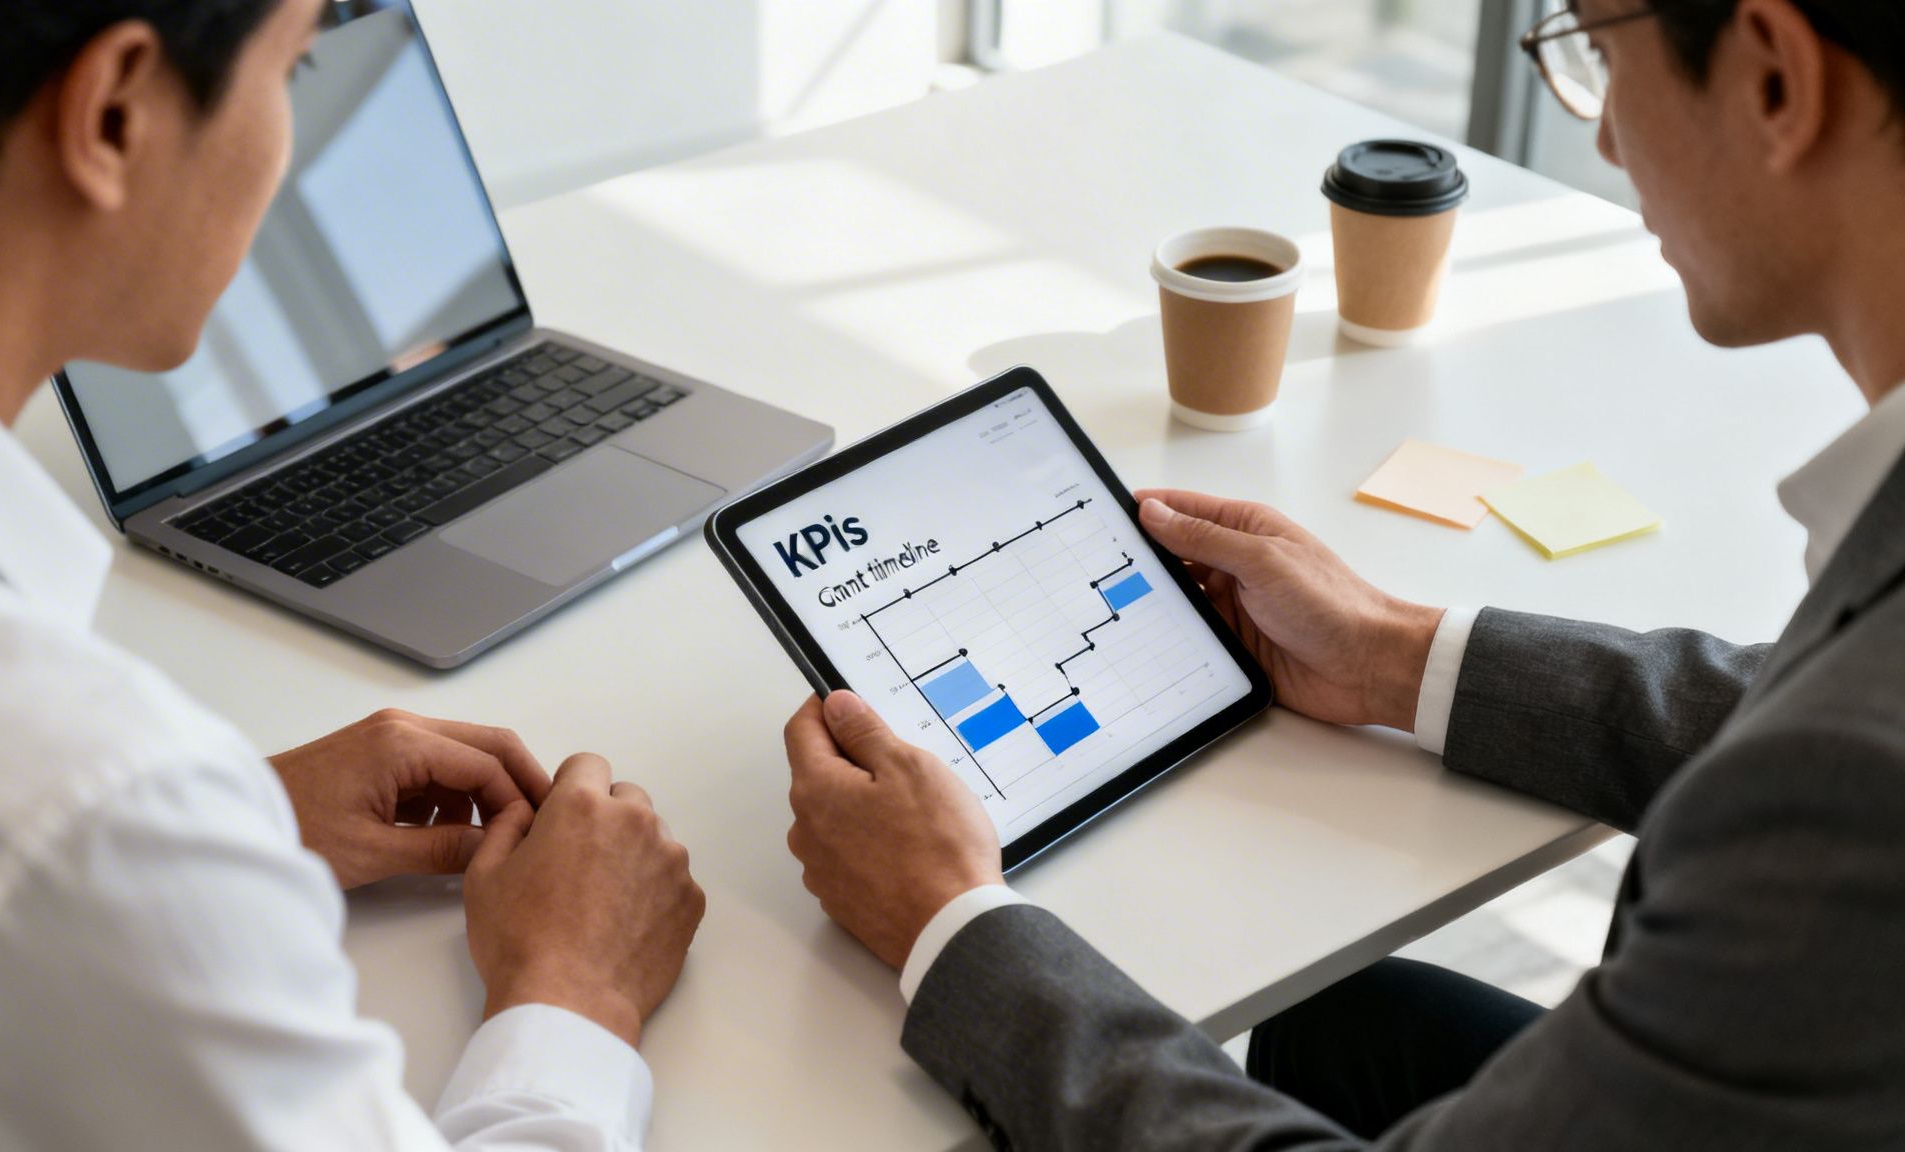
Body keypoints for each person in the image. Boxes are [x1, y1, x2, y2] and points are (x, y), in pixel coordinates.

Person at [784, 0, 1905, 1146]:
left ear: (1772, 80)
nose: (1607, 140)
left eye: (1603, 59)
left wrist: (948, 923)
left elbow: (1830, 769)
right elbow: (1789, 709)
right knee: (1334, 1019)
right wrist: (1387, 653)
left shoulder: (1840, 798)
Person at [0, 3, 704, 1150]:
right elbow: (34, 830)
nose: (290, 130)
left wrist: (234, 824)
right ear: (113, 114)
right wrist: (578, 991)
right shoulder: (79, 801)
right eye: (295, 65)